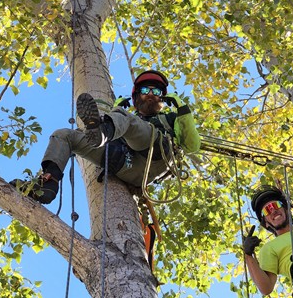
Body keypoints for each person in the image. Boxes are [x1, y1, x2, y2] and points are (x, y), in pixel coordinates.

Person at [11, 69, 200, 204]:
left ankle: (102, 133)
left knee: (128, 121)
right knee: (64, 135)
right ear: (135, 98)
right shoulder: (129, 118)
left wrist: (182, 107)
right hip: (125, 163)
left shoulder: (170, 119)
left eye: (156, 91)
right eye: (145, 91)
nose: (150, 94)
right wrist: (116, 107)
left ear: (164, 99)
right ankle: (48, 183)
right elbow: (123, 120)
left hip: (157, 158)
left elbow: (193, 145)